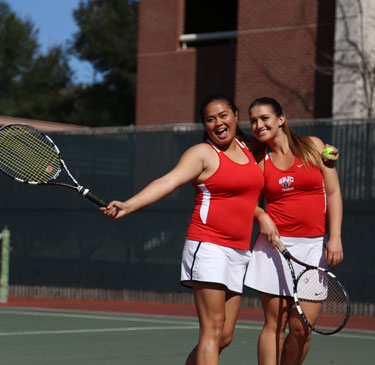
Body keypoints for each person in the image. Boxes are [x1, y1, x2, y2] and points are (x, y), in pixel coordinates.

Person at [101, 94, 265, 365]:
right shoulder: (202, 153)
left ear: (236, 115)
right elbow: (167, 181)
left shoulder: (248, 148)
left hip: (239, 250)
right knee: (212, 331)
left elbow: (284, 141)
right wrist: (129, 205)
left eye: (223, 115)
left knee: (224, 336)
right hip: (209, 246)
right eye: (210, 119)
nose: (218, 123)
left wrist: (321, 150)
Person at [244, 97, 343, 365]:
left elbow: (333, 194)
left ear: (281, 118)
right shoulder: (259, 162)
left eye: (264, 118)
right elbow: (248, 205)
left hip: (313, 249)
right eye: (253, 121)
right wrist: (262, 215)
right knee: (274, 325)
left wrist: (334, 237)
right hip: (274, 248)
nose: (258, 124)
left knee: (301, 330)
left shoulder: (314, 147)